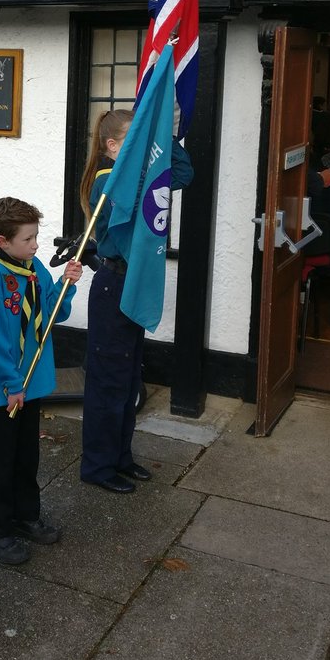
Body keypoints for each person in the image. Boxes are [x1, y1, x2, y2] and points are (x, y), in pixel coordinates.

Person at [78, 110, 194, 494]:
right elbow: (139, 196)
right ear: (112, 147)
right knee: (107, 382)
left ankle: (120, 458)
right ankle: (97, 466)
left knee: (128, 381)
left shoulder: (131, 175)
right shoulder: (107, 180)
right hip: (113, 285)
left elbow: (181, 175)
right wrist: (155, 148)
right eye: (136, 138)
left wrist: (171, 134)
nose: (145, 146)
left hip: (132, 283)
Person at [0, 196, 83, 566]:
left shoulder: (34, 267)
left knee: (26, 454)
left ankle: (25, 515)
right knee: (1, 459)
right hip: (7, 388)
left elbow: (52, 313)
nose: (36, 245)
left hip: (31, 381)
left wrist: (66, 284)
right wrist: (11, 382)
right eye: (28, 239)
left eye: (36, 237)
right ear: (3, 242)